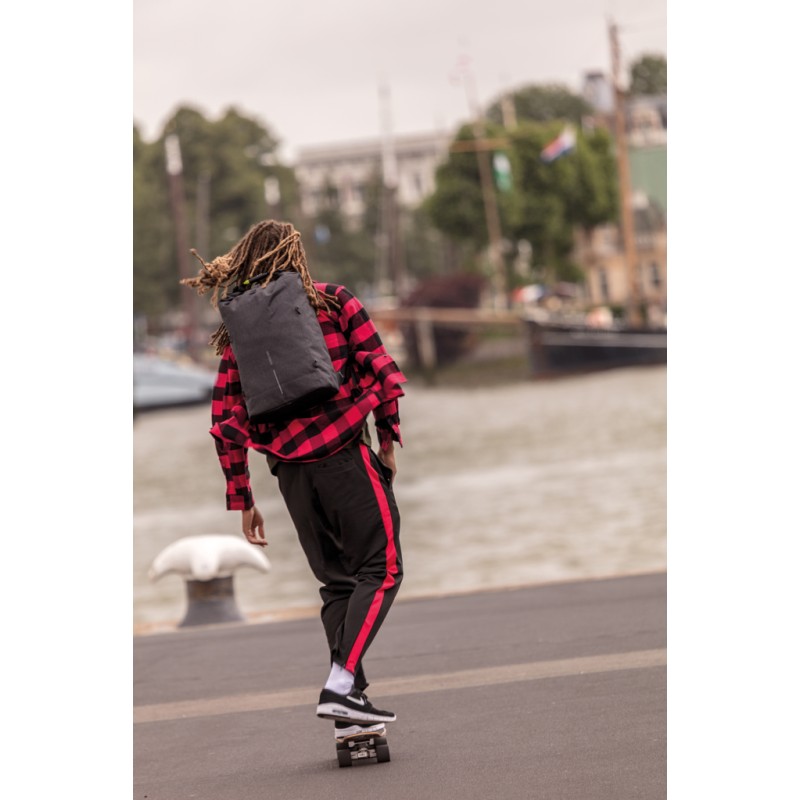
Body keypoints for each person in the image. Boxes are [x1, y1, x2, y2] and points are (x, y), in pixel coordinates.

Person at [181, 220, 406, 739]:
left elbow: (224, 420)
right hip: (344, 458)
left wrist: (244, 498)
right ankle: (342, 685)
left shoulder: (240, 335)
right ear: (295, 255)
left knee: (337, 584)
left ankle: (351, 703)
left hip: (291, 476)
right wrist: (387, 440)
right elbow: (378, 366)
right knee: (382, 568)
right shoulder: (332, 301)